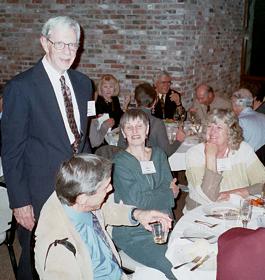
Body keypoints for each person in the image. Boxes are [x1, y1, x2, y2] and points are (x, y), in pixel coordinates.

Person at [1, 16, 92, 279]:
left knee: (71, 252)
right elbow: (12, 151)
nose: (67, 52)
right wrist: (20, 202)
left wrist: (92, 179)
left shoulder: (83, 83)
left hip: (76, 187)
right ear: (45, 43)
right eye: (60, 44)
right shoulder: (21, 87)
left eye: (73, 45)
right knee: (35, 258)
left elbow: (79, 138)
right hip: (39, 191)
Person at [34, 153, 172, 280]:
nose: (111, 188)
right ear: (83, 198)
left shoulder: (73, 197)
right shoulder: (58, 248)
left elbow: (105, 209)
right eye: (105, 187)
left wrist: (138, 214)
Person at [112, 109, 179, 279]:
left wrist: (163, 193)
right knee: (173, 268)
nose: (135, 131)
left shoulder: (159, 154)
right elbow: (136, 202)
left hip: (164, 223)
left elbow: (165, 189)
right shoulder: (119, 162)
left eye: (139, 126)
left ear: (147, 129)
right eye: (129, 127)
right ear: (123, 133)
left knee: (192, 258)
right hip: (135, 232)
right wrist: (168, 194)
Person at [185, 108, 265, 210]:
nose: (212, 132)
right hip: (203, 212)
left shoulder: (243, 149)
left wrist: (238, 192)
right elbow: (209, 197)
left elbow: (262, 182)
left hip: (239, 208)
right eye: (209, 126)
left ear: (230, 132)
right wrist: (210, 157)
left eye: (219, 127)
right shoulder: (195, 154)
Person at [118, 82, 186, 156]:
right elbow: (166, 153)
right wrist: (178, 140)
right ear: (154, 102)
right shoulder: (157, 123)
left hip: (128, 164)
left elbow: (120, 148)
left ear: (136, 101)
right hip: (150, 165)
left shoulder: (125, 118)